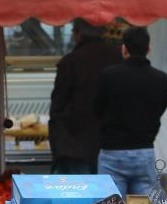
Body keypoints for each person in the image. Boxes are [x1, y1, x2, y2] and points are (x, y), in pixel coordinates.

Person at [93, 26, 167, 196]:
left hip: (112, 151)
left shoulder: (109, 76)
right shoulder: (163, 80)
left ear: (124, 48)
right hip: (145, 151)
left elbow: (97, 109)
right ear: (149, 49)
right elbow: (160, 109)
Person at [48, 20, 121, 174]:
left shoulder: (70, 62)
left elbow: (57, 105)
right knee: (109, 196)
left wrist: (57, 141)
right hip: (113, 142)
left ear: (77, 34)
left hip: (75, 144)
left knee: (77, 195)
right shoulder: (118, 58)